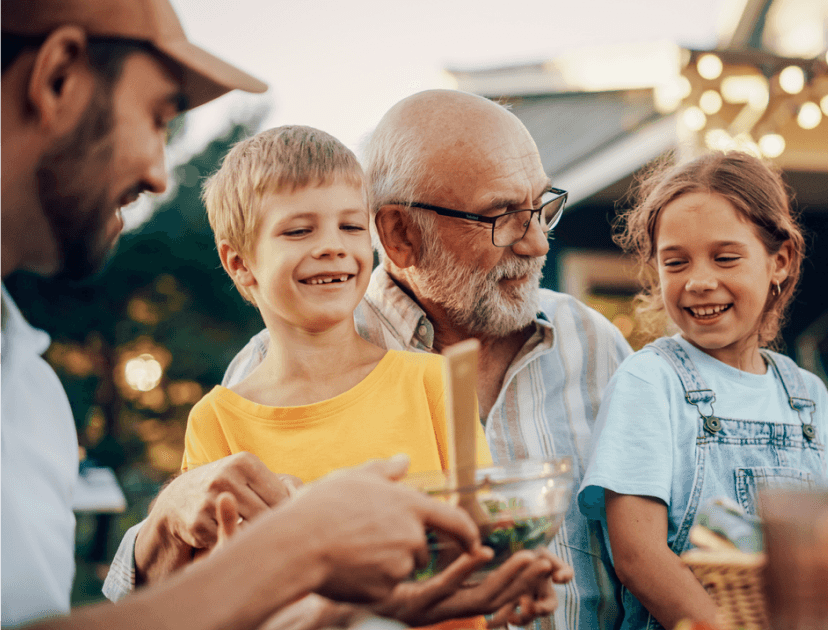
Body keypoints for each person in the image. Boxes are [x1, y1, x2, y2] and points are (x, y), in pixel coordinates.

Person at [0, 1, 488, 627]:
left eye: (350, 224)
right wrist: (305, 553)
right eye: (157, 117)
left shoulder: (31, 388)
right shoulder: (217, 417)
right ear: (58, 76)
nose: (158, 174)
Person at [105, 90, 634, 630]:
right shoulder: (239, 395)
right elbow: (202, 592)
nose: (537, 243)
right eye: (501, 215)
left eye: (542, 207)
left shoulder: (591, 341)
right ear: (399, 235)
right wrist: (167, 522)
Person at [183, 123, 566, 628]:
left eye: (350, 227)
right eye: (299, 230)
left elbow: (481, 540)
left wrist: (513, 576)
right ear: (240, 264)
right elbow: (215, 596)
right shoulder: (218, 421)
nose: (332, 246)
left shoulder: (432, 381)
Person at [578, 151, 828, 630]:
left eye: (725, 258)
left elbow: (825, 553)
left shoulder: (809, 399)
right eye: (675, 262)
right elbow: (638, 556)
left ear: (779, 260)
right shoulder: (650, 382)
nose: (699, 281)